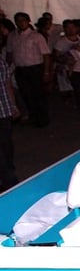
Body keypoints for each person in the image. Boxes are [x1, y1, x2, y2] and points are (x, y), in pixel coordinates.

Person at [6, 12, 51, 127]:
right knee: (25, 94)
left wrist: (46, 72)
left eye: (23, 20)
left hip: (35, 68)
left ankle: (43, 119)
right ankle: (33, 116)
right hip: (20, 69)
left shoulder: (36, 36)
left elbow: (46, 55)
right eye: (18, 20)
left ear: (28, 21)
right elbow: (10, 53)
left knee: (38, 94)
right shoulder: (12, 36)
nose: (21, 23)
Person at [0, 53, 19, 192]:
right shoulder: (1, 60)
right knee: (6, 144)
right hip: (5, 109)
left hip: (4, 109)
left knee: (4, 147)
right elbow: (8, 85)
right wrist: (13, 105)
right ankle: (9, 175)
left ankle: (9, 181)